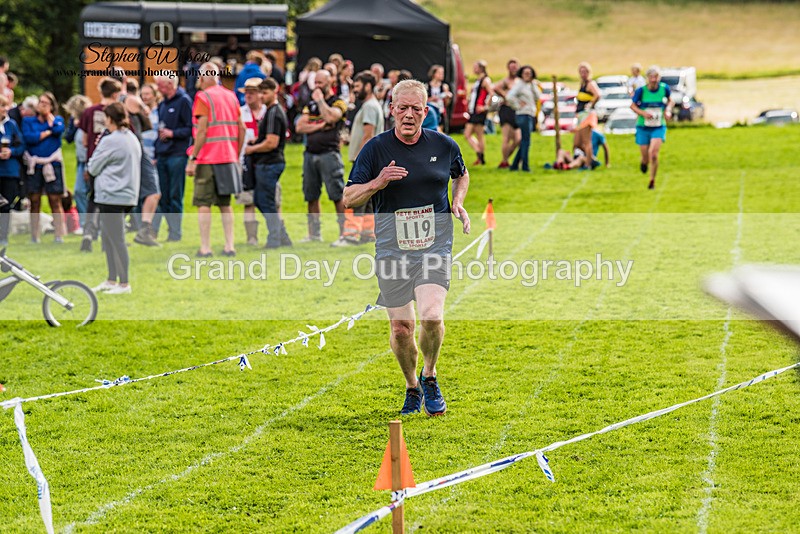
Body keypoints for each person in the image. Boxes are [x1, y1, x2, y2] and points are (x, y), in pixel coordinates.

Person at [343, 79, 471, 416]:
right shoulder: (375, 150)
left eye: (416, 108)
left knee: (431, 316)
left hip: (434, 244)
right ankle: (412, 385)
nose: (409, 114)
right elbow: (349, 197)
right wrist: (378, 181)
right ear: (392, 110)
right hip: (392, 249)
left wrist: (457, 201)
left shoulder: (444, 145)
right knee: (401, 329)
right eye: (403, 108)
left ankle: (430, 376)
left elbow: (462, 174)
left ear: (425, 111)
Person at [186, 62, 246, 257]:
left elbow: (201, 131)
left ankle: (205, 247)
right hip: (228, 157)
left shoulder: (202, 97)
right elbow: (242, 129)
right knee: (225, 204)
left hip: (207, 159)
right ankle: (230, 245)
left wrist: (193, 157)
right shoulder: (231, 96)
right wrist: (235, 154)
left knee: (204, 203)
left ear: (203, 78)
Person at [87, 102, 141, 295]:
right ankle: (111, 279)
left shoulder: (111, 140)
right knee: (108, 238)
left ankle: (124, 283)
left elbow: (93, 167)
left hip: (112, 195)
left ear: (109, 119)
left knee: (116, 239)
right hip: (127, 194)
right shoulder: (132, 138)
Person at [295, 69, 348, 243]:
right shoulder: (309, 105)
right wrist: (320, 125)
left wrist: (320, 101)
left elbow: (332, 117)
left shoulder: (338, 102)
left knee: (336, 194)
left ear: (330, 83)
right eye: (315, 83)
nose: (317, 86)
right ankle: (314, 234)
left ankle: (344, 233)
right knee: (311, 195)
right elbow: (300, 127)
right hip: (310, 154)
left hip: (329, 154)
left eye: (320, 83)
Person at [335, 71, 383, 247]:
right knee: (368, 199)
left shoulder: (370, 106)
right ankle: (368, 234)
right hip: (373, 161)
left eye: (357, 86)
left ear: (368, 86)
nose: (354, 90)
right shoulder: (372, 105)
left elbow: (368, 135)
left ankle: (350, 236)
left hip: (365, 161)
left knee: (355, 198)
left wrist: (361, 162)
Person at [245, 78, 292, 249]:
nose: (262, 96)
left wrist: (252, 149)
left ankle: (274, 239)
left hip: (270, 162)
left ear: (275, 91)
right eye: (261, 93)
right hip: (269, 162)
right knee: (261, 200)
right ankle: (283, 237)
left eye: (265, 93)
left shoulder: (273, 112)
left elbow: (271, 142)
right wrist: (258, 140)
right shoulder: (272, 111)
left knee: (266, 202)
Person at [153, 72, 193, 242]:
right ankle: (170, 230)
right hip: (162, 154)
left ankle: (175, 233)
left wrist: (173, 133)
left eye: (160, 85)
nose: (158, 88)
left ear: (170, 84)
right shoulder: (162, 104)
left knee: (175, 194)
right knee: (164, 196)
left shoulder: (184, 101)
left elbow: (191, 128)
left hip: (177, 154)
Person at [22, 92, 66, 243]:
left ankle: (59, 235)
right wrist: (48, 131)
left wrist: (49, 120)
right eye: (40, 102)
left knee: (55, 199)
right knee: (34, 200)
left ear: (52, 106)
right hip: (35, 165)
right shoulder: (28, 121)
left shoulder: (58, 120)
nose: (42, 105)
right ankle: (35, 236)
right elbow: (30, 138)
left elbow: (58, 130)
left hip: (52, 164)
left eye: (46, 103)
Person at [631, 66, 674, 189]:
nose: (654, 80)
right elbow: (632, 106)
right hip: (643, 126)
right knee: (646, 157)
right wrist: (643, 113)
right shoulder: (641, 91)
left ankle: (652, 181)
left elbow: (670, 101)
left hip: (658, 126)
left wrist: (668, 110)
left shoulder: (664, 88)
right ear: (647, 78)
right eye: (651, 77)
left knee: (653, 154)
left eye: (656, 77)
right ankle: (644, 163)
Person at [238, 77, 266, 245]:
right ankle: (251, 237)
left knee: (272, 199)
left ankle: (276, 233)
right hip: (245, 160)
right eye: (247, 92)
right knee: (248, 200)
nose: (248, 96)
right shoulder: (240, 112)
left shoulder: (268, 112)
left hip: (265, 160)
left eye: (252, 93)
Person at [0, 94, 25, 246]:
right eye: (3, 106)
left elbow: (21, 146)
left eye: (6, 106)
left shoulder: (12, 125)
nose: (6, 109)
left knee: (6, 205)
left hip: (9, 171)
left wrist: (11, 152)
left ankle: (3, 236)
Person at [63, 94, 92, 226]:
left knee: (93, 193)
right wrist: (75, 125)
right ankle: (85, 223)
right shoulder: (75, 122)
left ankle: (95, 223)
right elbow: (68, 138)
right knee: (79, 192)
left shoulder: (91, 121)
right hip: (81, 161)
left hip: (90, 161)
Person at [506, 65, 540, 172]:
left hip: (529, 114)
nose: (527, 75)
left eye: (529, 73)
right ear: (521, 74)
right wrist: (517, 105)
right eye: (525, 73)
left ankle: (515, 165)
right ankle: (525, 166)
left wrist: (533, 83)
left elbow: (538, 97)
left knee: (525, 141)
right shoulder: (520, 85)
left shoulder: (530, 85)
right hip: (523, 114)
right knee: (526, 141)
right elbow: (509, 96)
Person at [465, 60, 493, 165]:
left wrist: (485, 107)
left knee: (475, 134)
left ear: (481, 68)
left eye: (475, 67)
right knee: (474, 134)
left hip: (479, 111)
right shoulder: (478, 80)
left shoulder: (486, 80)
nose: (473, 69)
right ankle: (480, 155)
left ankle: (480, 155)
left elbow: (491, 94)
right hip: (474, 111)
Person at [494, 58, 521, 168]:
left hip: (518, 110)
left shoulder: (520, 81)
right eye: (511, 67)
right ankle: (505, 161)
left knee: (518, 139)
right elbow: (495, 87)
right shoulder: (506, 81)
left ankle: (506, 159)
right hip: (507, 110)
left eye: (515, 67)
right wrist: (506, 96)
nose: (513, 69)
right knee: (506, 138)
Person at [426, 64, 452, 132]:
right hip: (430, 112)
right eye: (439, 73)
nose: (442, 75)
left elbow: (446, 104)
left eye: (442, 73)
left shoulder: (444, 86)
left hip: (440, 112)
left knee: (440, 131)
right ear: (434, 74)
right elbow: (423, 101)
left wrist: (448, 98)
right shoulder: (427, 86)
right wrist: (432, 99)